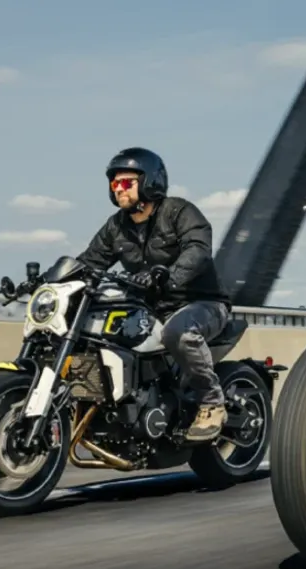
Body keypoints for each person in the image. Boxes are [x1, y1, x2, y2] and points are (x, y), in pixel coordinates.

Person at [77, 147, 232, 441]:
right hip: (150, 307)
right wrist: (50, 281)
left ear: (149, 181)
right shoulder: (116, 226)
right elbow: (89, 262)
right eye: (115, 183)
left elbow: (198, 250)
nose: (119, 188)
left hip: (201, 303)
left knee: (178, 333)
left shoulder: (178, 211)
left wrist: (168, 276)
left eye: (126, 182)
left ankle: (211, 402)